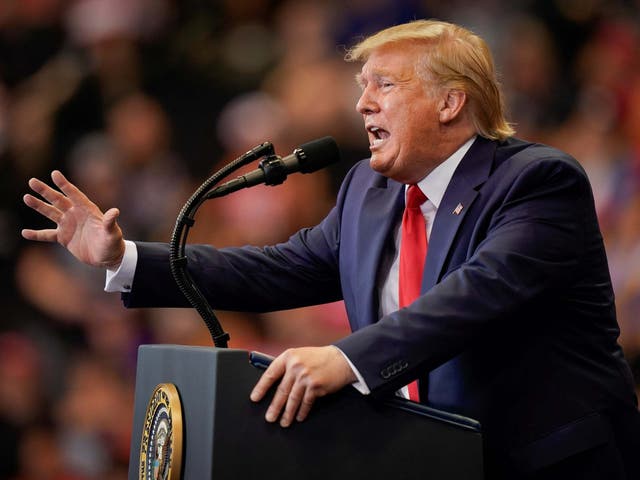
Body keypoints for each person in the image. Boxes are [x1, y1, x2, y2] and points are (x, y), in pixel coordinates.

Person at [22, 20, 640, 479]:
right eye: (360, 87)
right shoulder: (369, 193)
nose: (361, 104)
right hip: (424, 463)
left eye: (384, 85)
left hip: (546, 464)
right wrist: (123, 259)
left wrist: (346, 360)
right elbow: (277, 272)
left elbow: (475, 296)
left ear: (452, 101)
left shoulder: (537, 181)